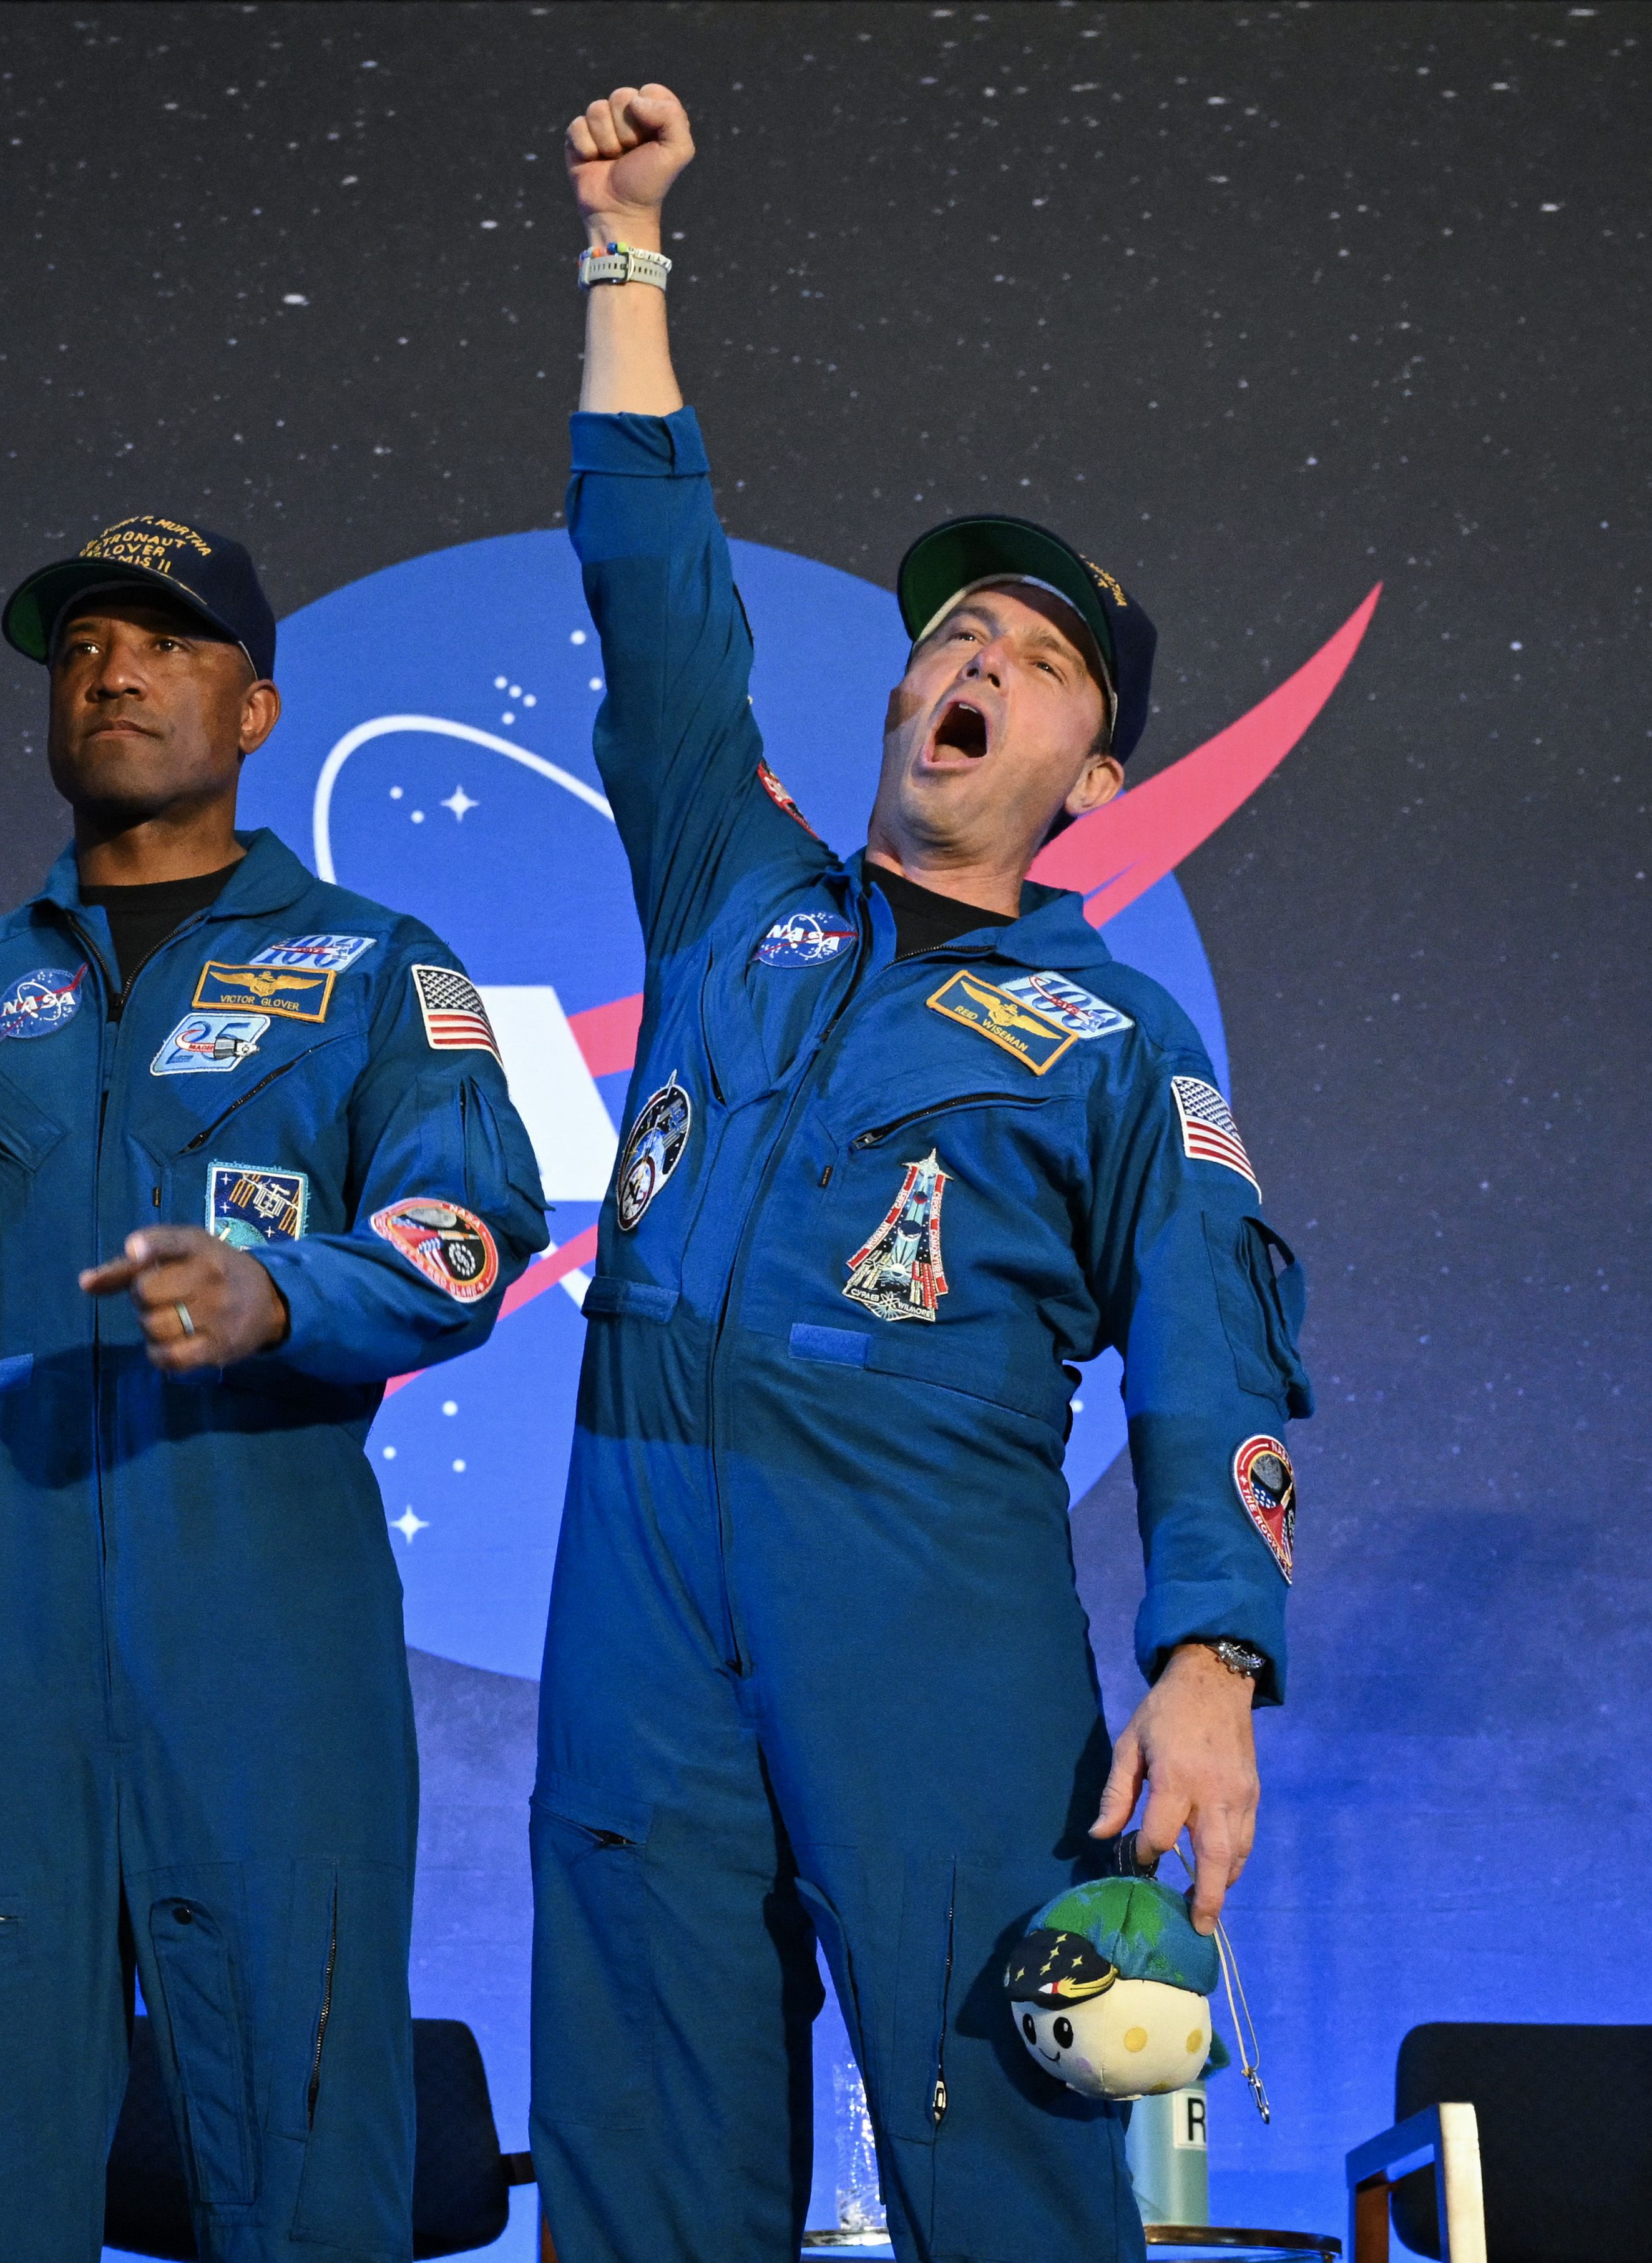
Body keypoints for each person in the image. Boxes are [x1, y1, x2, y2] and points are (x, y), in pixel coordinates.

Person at [527, 87, 1311, 2263]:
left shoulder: (1110, 1040)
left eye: (1037, 661)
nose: (977, 660)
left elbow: (1214, 1354)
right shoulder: (729, 888)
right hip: (639, 1595)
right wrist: (622, 248)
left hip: (925, 1607)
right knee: (637, 2152)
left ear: (1091, 772)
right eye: (957, 630)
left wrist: (1210, 1658)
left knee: (999, 2160)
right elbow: (654, 592)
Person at [0, 522, 550, 2263]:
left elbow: (466, 1232)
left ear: (256, 709)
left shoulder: (377, 968)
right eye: (82, 644)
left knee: (300, 2161)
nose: (115, 671)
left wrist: (276, 1294)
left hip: (265, 1623)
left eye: (167, 642)